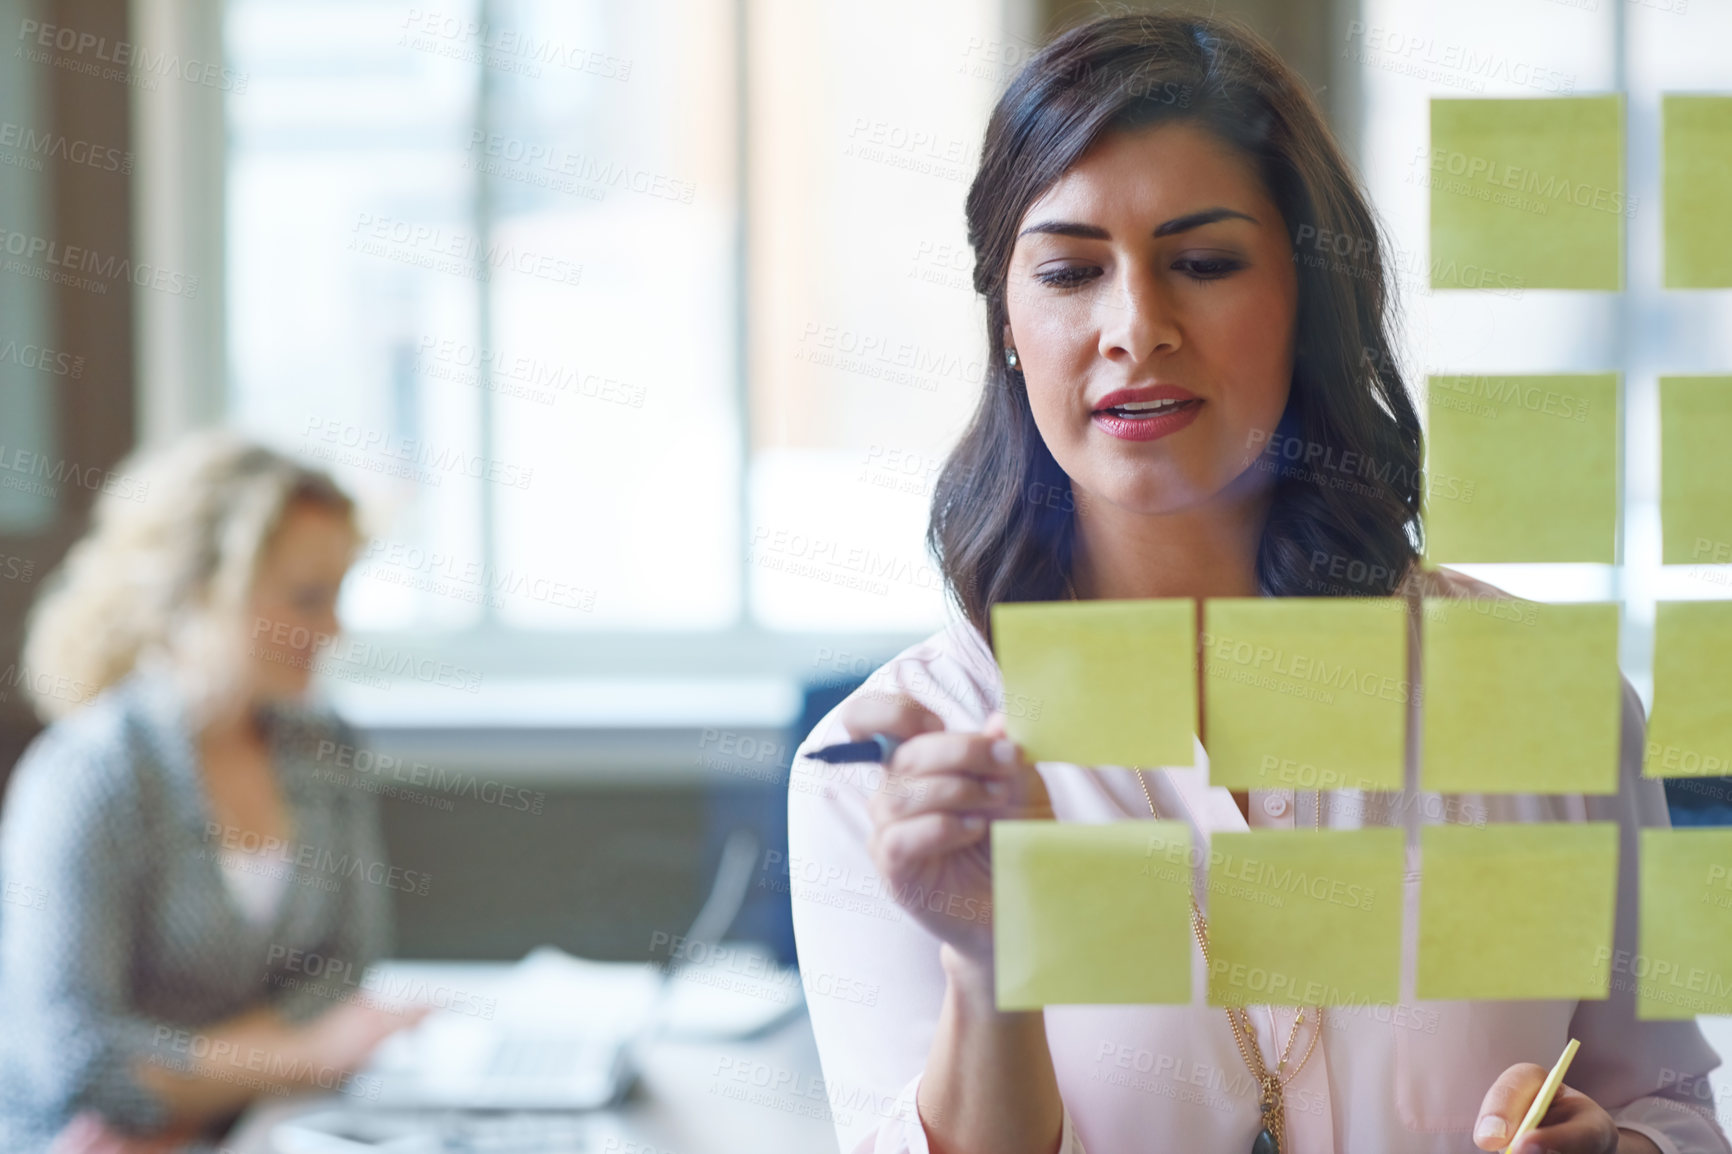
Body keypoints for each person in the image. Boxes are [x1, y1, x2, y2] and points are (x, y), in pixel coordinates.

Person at [786, 13, 1728, 1154]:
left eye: (1203, 262)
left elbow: (1668, 1108)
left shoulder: (1548, 704)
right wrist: (989, 964)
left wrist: (1611, 1147)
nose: (1135, 326)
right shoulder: (888, 776)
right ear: (1008, 326)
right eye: (1071, 270)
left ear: (1308, 298)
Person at [0, 430, 424, 1153]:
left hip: (257, 1126)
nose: (333, 627)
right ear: (196, 590)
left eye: (340, 593)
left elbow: (345, 966)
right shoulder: (91, 774)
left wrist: (192, 1085)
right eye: (306, 597)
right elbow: (80, 1060)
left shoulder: (322, 747)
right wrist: (304, 1057)